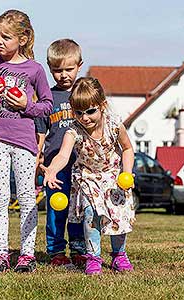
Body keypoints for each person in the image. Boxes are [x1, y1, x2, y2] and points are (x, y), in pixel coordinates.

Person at [41, 77, 135, 275]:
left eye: (90, 111)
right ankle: (93, 257)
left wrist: (127, 172)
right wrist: (52, 169)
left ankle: (119, 255)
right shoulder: (73, 131)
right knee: (91, 216)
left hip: (113, 176)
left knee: (117, 215)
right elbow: (63, 155)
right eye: (79, 112)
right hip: (88, 178)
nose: (85, 118)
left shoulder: (115, 124)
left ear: (102, 105)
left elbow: (127, 149)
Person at [0, 9, 53, 273]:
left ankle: (27, 254)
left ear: (22, 39)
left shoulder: (34, 69)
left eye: (5, 37)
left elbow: (47, 106)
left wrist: (27, 104)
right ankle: (1, 253)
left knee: (26, 197)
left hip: (25, 142)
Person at [35, 39, 86, 267]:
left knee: (79, 208)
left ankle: (79, 249)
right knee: (57, 208)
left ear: (79, 65)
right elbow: (40, 131)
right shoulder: (48, 98)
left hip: (82, 165)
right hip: (56, 169)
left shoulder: (84, 97)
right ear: (49, 68)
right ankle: (56, 251)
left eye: (69, 69)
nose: (63, 75)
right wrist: (38, 158)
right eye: (57, 70)